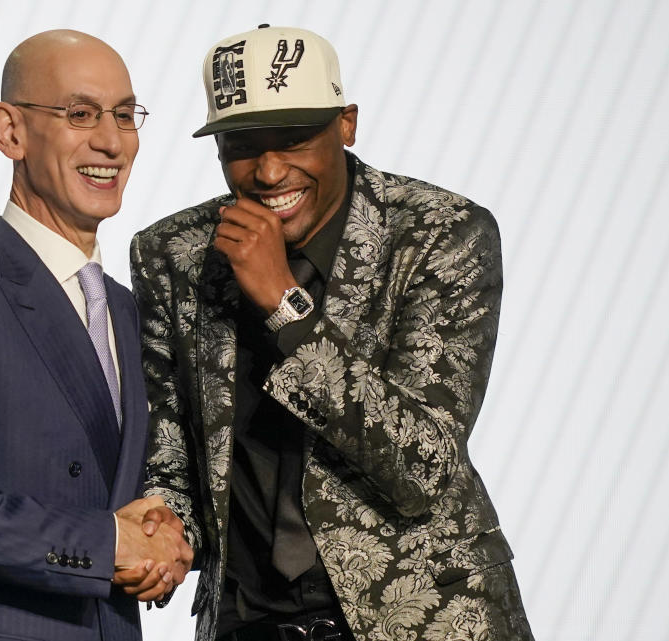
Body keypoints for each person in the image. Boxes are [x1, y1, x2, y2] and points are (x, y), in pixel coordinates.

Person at [131, 24, 534, 641]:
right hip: (248, 622)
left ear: (346, 124)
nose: (268, 172)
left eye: (294, 138)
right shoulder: (173, 254)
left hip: (426, 617)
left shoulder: (440, 235)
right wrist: (164, 522)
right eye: (242, 143)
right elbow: (171, 448)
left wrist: (282, 304)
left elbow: (420, 463)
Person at [0, 29, 191, 641]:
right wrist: (107, 544)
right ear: (9, 131)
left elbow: (124, 490)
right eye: (80, 113)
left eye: (125, 115)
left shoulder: (127, 311)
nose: (110, 140)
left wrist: (163, 539)